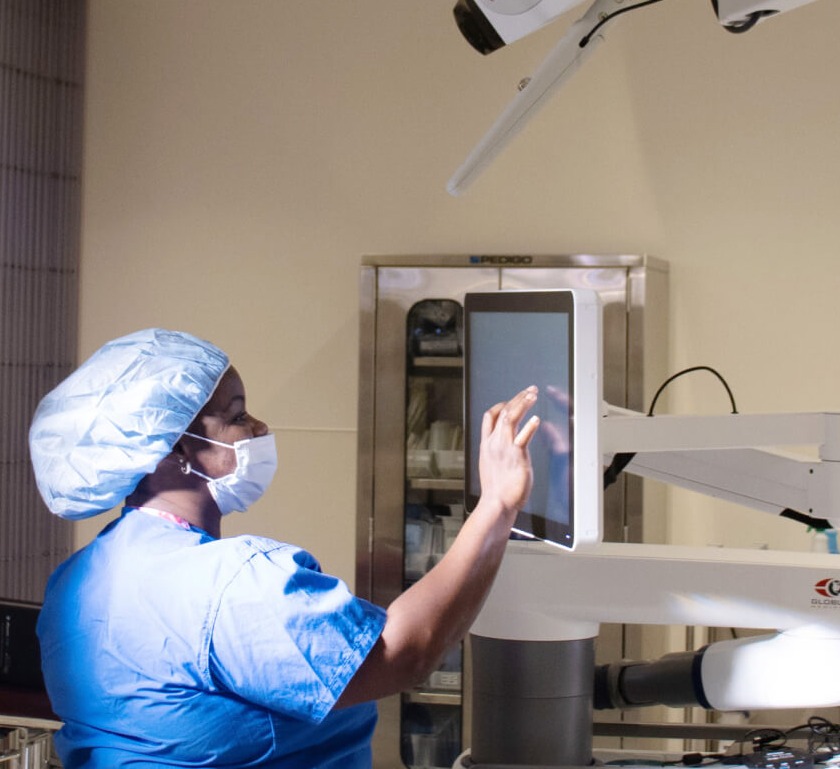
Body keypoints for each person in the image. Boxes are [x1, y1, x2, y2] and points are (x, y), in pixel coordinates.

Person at [29, 328, 538, 769]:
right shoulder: (235, 584)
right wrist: (495, 504)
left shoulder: (77, 578)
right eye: (238, 416)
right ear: (175, 449)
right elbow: (406, 653)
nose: (260, 430)